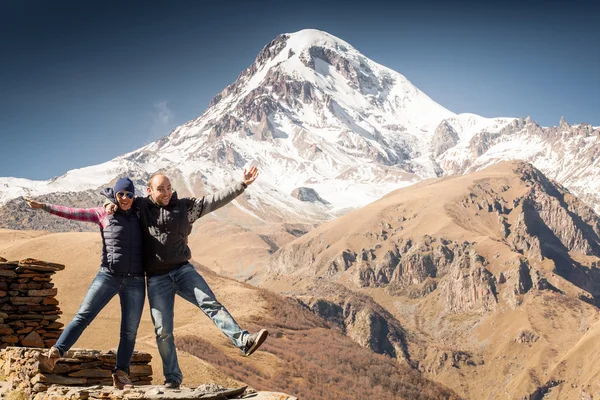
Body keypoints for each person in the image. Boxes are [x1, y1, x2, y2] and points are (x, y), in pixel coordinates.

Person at [104, 166, 268, 388]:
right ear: (149, 190)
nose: (166, 192)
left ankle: (244, 341)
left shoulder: (185, 207)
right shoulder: (140, 207)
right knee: (163, 332)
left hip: (183, 270)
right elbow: (117, 195)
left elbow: (214, 201)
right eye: (161, 189)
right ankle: (172, 379)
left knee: (211, 304)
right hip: (156, 278)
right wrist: (109, 203)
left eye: (169, 188)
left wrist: (242, 184)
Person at [25, 178, 145, 390]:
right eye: (121, 194)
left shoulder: (141, 213)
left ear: (134, 197)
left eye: (129, 195)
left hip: (135, 280)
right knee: (83, 315)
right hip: (108, 276)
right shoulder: (102, 213)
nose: (125, 198)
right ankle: (56, 353)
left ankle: (121, 373)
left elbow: (161, 209)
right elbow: (72, 213)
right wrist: (44, 206)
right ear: (115, 195)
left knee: (129, 331)